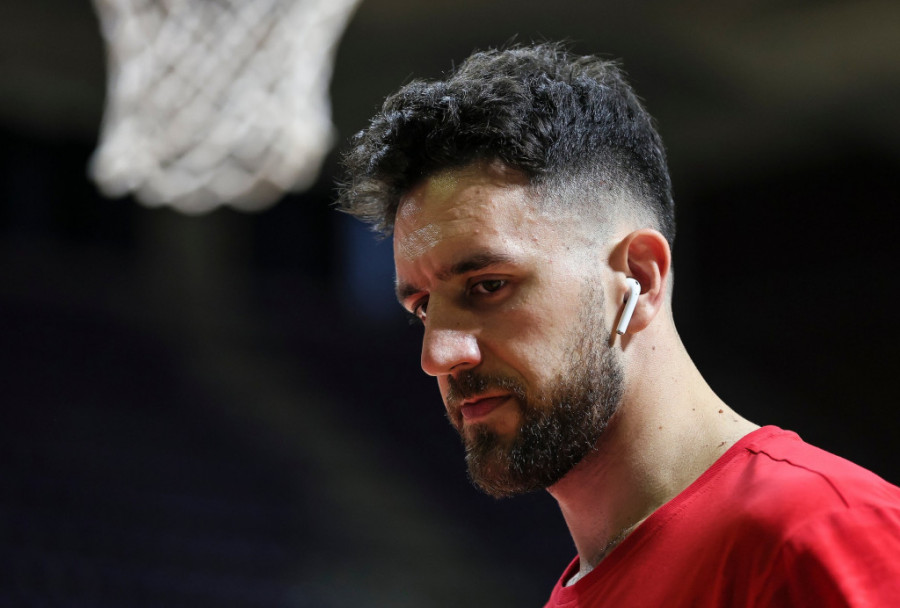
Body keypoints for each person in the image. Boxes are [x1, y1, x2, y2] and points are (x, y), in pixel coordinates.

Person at [335, 42, 900, 606]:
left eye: (487, 286)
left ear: (640, 277)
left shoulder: (822, 532)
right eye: (423, 307)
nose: (437, 355)